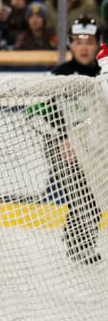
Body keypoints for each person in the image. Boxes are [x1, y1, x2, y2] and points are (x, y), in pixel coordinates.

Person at [33, 17, 106, 264]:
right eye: (78, 41)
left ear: (98, 44)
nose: (84, 47)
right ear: (70, 44)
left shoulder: (103, 75)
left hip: (96, 145)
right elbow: (38, 111)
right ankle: (79, 245)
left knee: (95, 193)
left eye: (89, 41)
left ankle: (78, 241)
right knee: (81, 194)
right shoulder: (59, 75)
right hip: (62, 145)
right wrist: (64, 138)